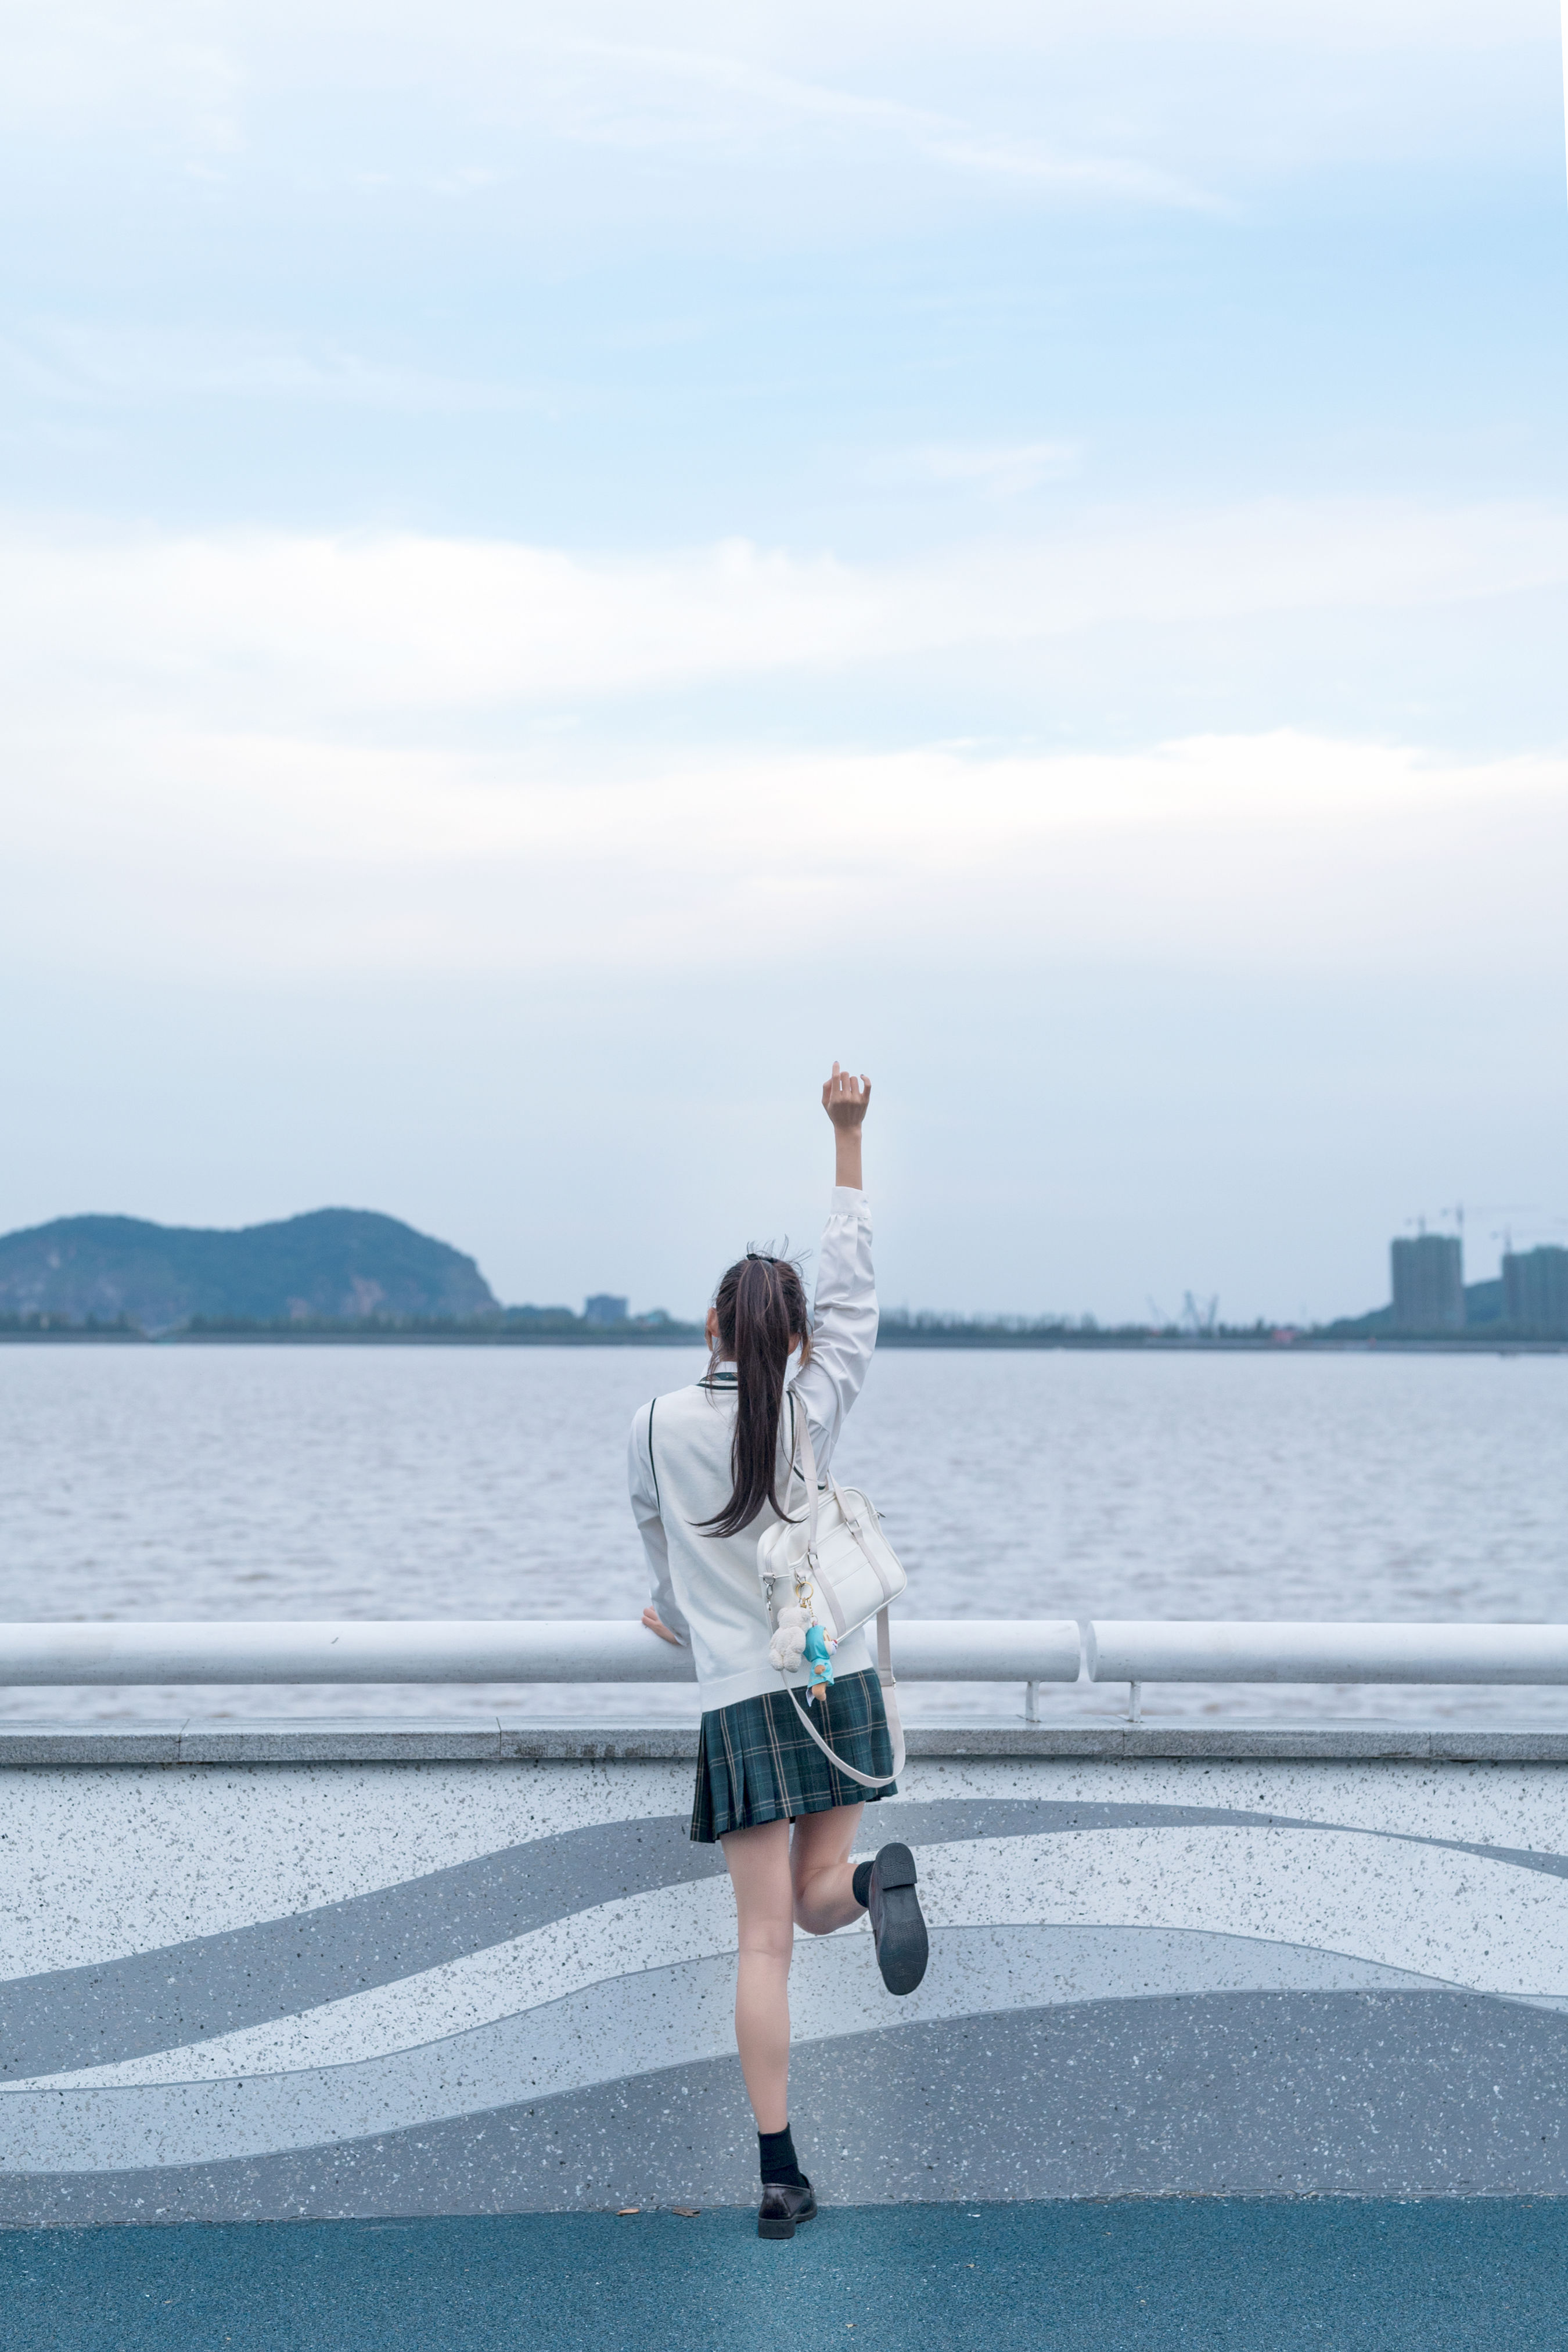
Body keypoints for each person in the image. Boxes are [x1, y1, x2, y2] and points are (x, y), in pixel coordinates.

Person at [630, 1062, 928, 2240]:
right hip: (834, 1680)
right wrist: (847, 1137)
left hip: (743, 1706)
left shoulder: (654, 1424)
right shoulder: (816, 1403)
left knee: (765, 1938)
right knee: (817, 1900)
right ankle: (870, 1884)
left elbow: (659, 1551)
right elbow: (854, 1291)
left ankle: (779, 2175)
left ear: (711, 1326)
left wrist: (676, 1612)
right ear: (795, 1338)